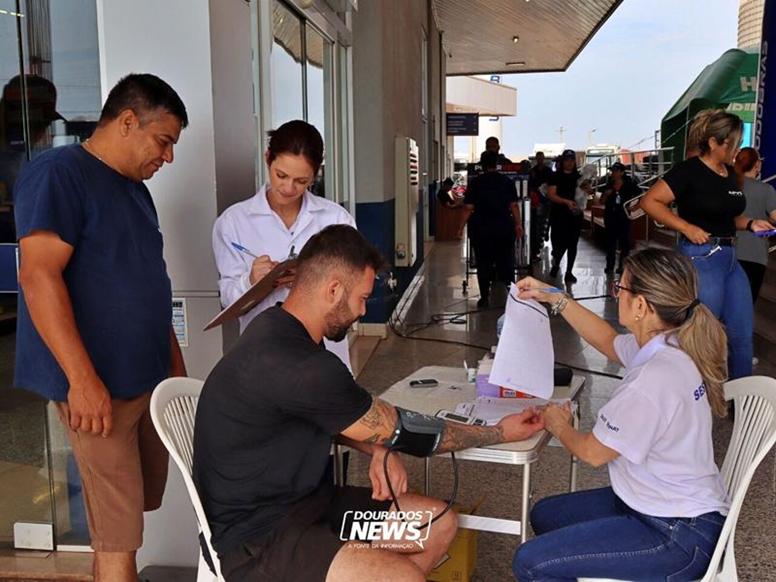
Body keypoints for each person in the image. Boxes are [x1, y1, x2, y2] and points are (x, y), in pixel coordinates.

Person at [193, 224, 544, 582]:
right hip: (259, 539)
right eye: (361, 298)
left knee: (436, 524)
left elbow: (340, 420)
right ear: (333, 290)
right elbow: (408, 431)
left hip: (313, 507)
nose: (362, 311)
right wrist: (499, 431)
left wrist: (377, 447)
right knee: (403, 577)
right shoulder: (300, 364)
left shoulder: (280, 328)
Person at [13, 73, 189, 582]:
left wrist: (175, 373)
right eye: (164, 141)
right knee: (119, 537)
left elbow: (149, 285)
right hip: (99, 391)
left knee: (128, 521)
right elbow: (38, 275)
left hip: (146, 381)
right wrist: (81, 381)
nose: (168, 157)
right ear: (128, 121)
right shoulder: (58, 174)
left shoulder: (136, 192)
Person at [513, 248, 730, 581]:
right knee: (546, 514)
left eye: (621, 288)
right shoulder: (672, 342)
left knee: (530, 562)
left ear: (641, 306)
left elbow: (592, 453)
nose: (617, 293)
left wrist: (559, 424)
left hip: (677, 533)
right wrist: (554, 296)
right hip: (658, 502)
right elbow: (608, 340)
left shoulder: (652, 379)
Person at [641, 109, 773, 380]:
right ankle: (694, 399)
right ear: (713, 142)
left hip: (730, 259)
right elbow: (650, 202)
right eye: (732, 144)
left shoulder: (729, 174)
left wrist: (750, 224)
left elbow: (727, 215)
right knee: (701, 338)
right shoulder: (689, 171)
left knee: (741, 336)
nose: (736, 150)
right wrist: (686, 227)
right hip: (701, 257)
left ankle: (742, 404)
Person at [212, 120, 356, 367]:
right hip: (262, 356)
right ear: (268, 158)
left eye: (301, 181)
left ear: (316, 173)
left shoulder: (335, 219)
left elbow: (355, 289)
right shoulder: (233, 222)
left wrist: (314, 279)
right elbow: (227, 299)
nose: (289, 188)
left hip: (323, 356)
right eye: (281, 175)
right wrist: (251, 281)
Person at [462, 150, 523, 308]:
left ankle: (484, 298)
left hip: (481, 230)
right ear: (496, 164)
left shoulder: (475, 183)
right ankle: (512, 296)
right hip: (503, 228)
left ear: (482, 165)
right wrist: (518, 224)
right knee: (506, 263)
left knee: (484, 263)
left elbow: (468, 208)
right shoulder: (506, 182)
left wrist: (459, 228)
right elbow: (514, 206)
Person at [734, 147, 776, 302]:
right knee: (745, 306)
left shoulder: (728, 185)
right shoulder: (766, 190)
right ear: (757, 165)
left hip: (726, 252)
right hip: (754, 255)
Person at [547, 149, 583, 283]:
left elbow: (587, 192)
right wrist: (565, 202)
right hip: (559, 215)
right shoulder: (555, 176)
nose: (570, 163)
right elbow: (551, 194)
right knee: (558, 244)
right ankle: (556, 264)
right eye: (567, 160)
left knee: (573, 244)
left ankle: (569, 271)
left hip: (575, 215)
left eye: (572, 160)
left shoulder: (579, 177)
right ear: (562, 161)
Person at [600, 161, 641, 274]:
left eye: (616, 171)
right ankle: (610, 265)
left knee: (625, 243)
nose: (613, 173)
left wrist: (635, 207)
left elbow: (642, 195)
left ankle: (622, 266)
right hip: (610, 216)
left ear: (622, 172)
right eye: (612, 171)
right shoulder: (608, 184)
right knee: (610, 242)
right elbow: (601, 201)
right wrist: (606, 195)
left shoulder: (629, 183)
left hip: (623, 216)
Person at [528, 151, 553, 261]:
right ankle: (537, 248)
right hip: (536, 201)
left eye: (541, 158)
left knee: (543, 223)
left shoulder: (548, 171)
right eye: (538, 158)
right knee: (537, 226)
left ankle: (543, 236)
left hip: (545, 200)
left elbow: (552, 184)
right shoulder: (532, 171)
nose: (539, 160)